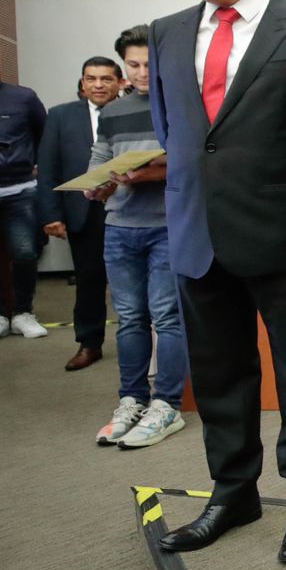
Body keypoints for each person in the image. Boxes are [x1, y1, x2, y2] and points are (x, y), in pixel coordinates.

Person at [149, 0, 286, 564]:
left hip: (285, 232)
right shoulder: (168, 33)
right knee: (220, 374)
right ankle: (233, 493)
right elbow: (176, 133)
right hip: (198, 233)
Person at [86, 26, 189, 448]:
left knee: (166, 317)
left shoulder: (181, 102)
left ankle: (167, 405)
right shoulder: (113, 111)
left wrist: (149, 173)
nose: (142, 72)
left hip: (168, 226)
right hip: (120, 227)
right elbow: (100, 156)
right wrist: (95, 185)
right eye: (133, 65)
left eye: (149, 64)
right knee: (129, 318)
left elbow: (194, 161)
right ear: (123, 67)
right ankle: (131, 400)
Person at [37, 57, 123, 368]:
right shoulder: (60, 116)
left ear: (119, 83)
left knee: (135, 282)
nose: (98, 85)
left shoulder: (134, 111)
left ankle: (144, 347)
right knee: (89, 281)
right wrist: (51, 214)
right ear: (82, 83)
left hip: (129, 207)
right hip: (83, 211)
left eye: (106, 79)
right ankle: (89, 343)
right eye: (91, 79)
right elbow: (48, 167)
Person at [0, 79, 48, 339]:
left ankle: (22, 313)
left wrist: (36, 164)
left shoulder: (24, 98)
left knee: (25, 251)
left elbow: (45, 134)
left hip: (20, 189)